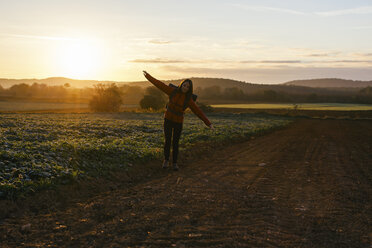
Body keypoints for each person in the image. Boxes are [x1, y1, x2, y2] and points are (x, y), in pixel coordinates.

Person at [143, 71, 213, 171]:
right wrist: (148, 76)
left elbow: (198, 111)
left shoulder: (188, 100)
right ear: (181, 85)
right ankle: (166, 160)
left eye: (187, 87)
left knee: (175, 142)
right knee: (167, 141)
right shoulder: (172, 91)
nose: (185, 88)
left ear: (189, 89)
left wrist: (208, 123)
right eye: (184, 85)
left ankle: (175, 163)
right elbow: (159, 84)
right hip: (167, 119)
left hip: (178, 122)